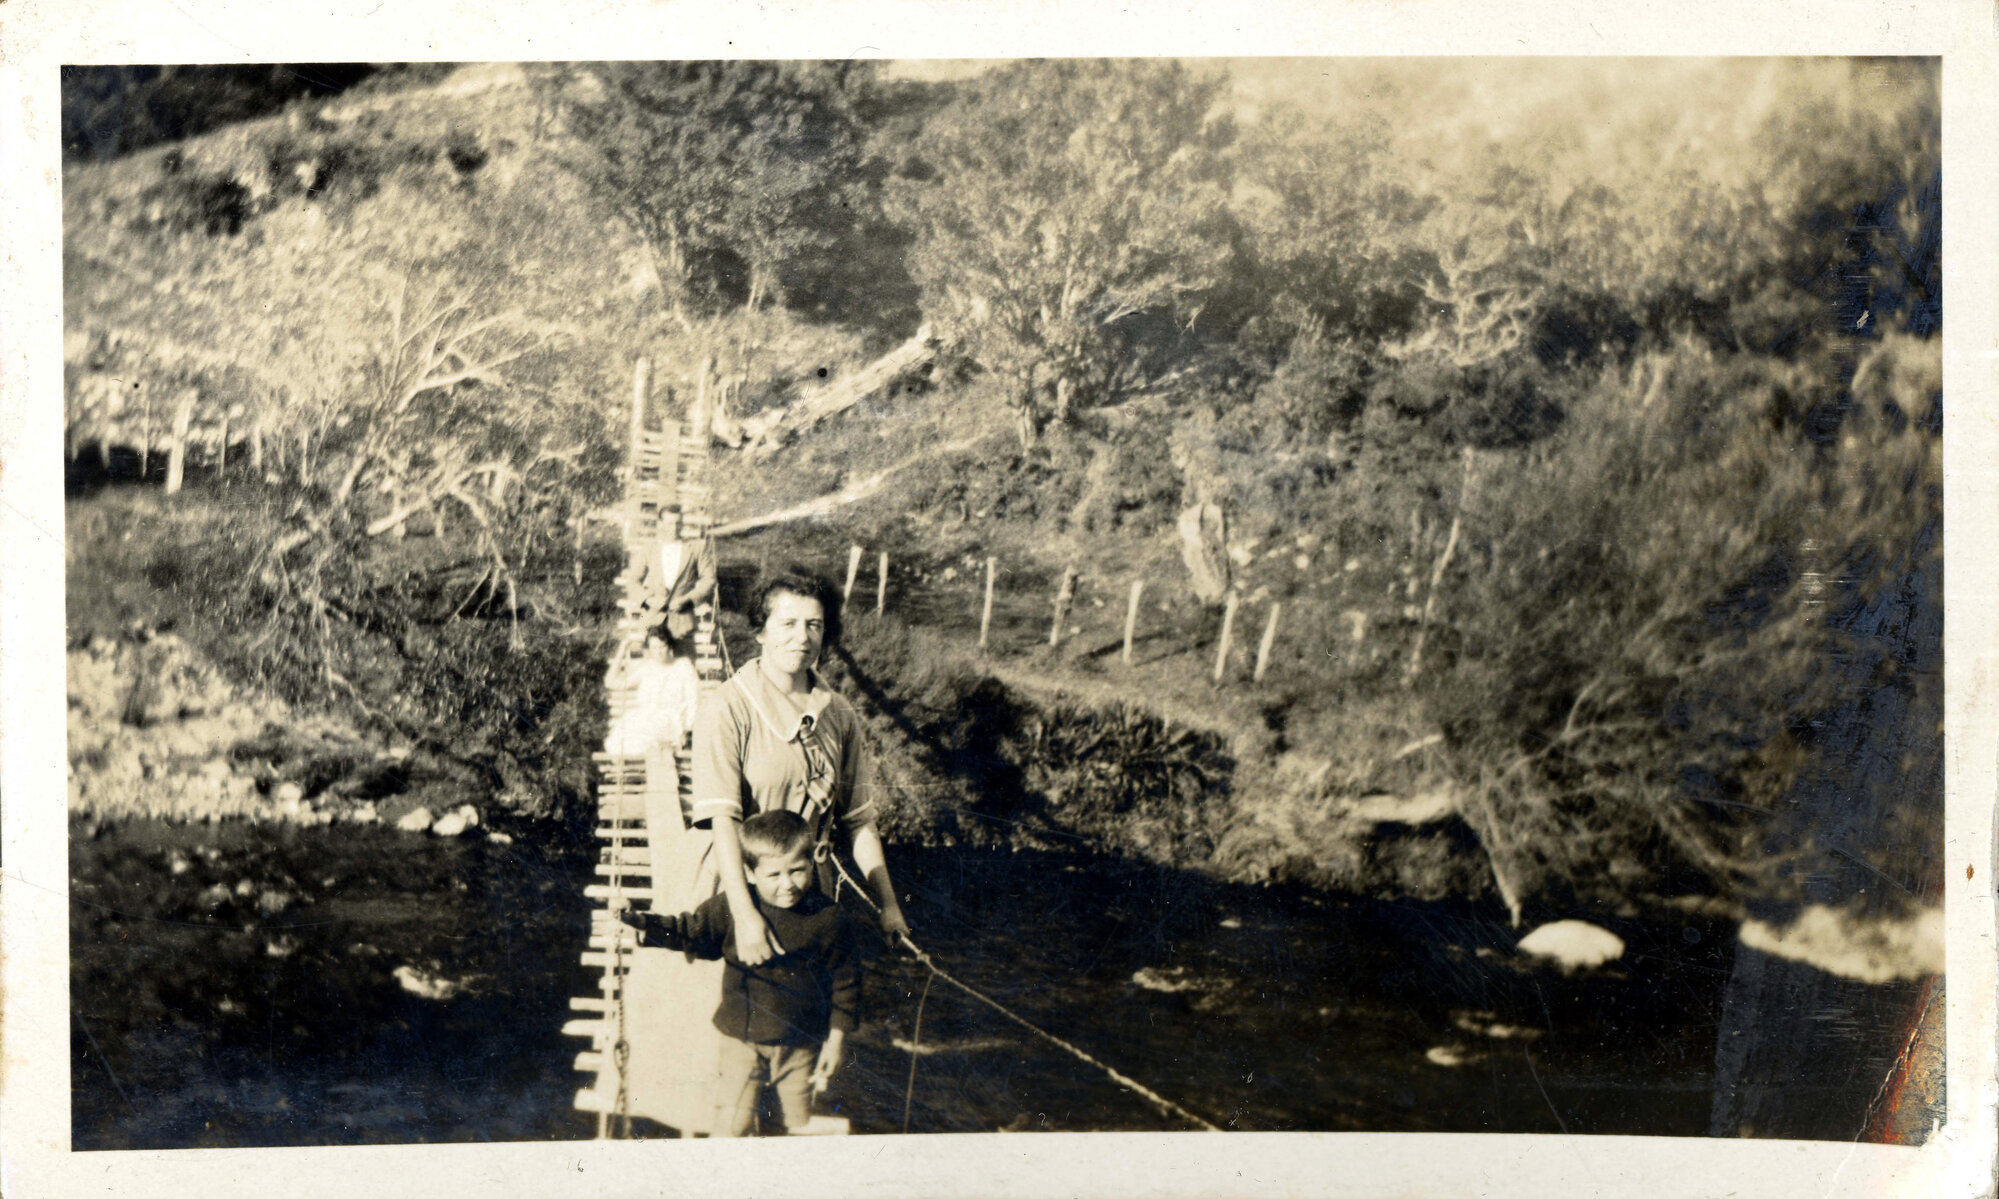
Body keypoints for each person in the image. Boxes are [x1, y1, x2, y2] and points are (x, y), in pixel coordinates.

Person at [690, 569, 910, 966]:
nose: (802, 637)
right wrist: (744, 916)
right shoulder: (727, 707)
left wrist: (889, 906)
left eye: (814, 625)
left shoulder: (839, 713)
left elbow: (860, 822)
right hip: (746, 888)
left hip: (811, 896)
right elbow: (723, 820)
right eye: (788, 623)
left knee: (809, 1015)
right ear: (760, 632)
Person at [615, 810, 858, 1137]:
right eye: (774, 875)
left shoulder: (828, 918)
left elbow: (845, 983)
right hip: (742, 1038)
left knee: (798, 1127)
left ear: (812, 865)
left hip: (802, 1043)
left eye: (798, 871)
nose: (788, 885)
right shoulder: (733, 907)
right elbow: (691, 931)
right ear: (750, 873)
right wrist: (645, 924)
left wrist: (836, 1040)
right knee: (731, 1126)